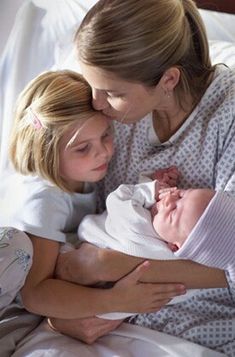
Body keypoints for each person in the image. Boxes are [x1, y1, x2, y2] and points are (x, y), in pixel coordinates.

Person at [54, 0, 235, 354]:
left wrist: (108, 267)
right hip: (106, 314)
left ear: (169, 79)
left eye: (114, 93)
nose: (96, 103)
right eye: (94, 85)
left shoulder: (226, 117)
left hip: (202, 326)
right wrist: (71, 304)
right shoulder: (112, 118)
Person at [0, 69, 186, 352]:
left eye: (106, 135)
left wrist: (151, 188)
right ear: (47, 152)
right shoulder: (46, 199)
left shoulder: (85, 176)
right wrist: (116, 301)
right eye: (83, 148)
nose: (103, 152)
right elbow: (35, 294)